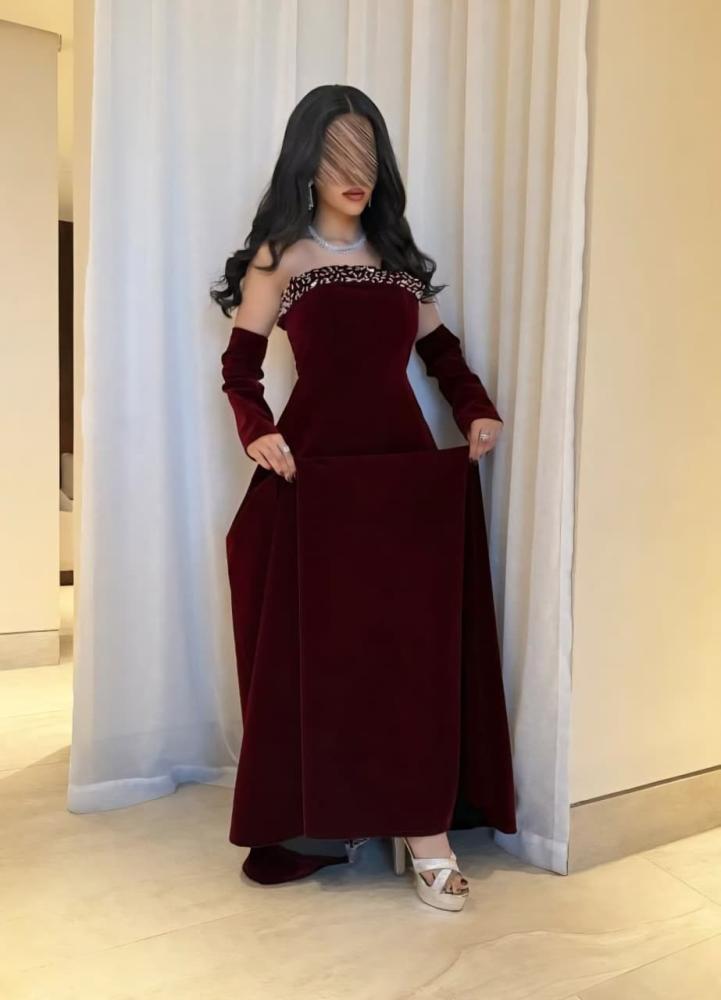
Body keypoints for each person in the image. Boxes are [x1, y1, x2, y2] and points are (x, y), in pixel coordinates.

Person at [210, 84, 517, 912]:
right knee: (332, 657)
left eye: (367, 153)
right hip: (314, 481)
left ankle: (425, 831)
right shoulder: (280, 257)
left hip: (399, 482)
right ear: (306, 163)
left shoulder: (396, 261)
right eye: (336, 153)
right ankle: (341, 814)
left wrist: (475, 409)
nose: (355, 170)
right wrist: (256, 430)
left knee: (407, 656)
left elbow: (442, 355)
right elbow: (239, 370)